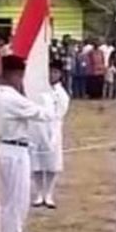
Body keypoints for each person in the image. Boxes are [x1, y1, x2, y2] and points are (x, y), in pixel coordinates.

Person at [0, 54, 54, 232]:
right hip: (15, 151)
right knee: (17, 201)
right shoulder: (11, 99)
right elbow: (45, 115)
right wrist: (47, 96)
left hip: (5, 149)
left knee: (7, 201)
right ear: (15, 75)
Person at [30, 59, 71, 209]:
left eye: (55, 72)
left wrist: (52, 128)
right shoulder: (38, 90)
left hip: (52, 128)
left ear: (60, 74)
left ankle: (49, 193)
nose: (52, 75)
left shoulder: (61, 93)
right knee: (37, 163)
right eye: (50, 72)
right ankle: (39, 192)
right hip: (36, 128)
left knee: (52, 163)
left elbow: (60, 113)